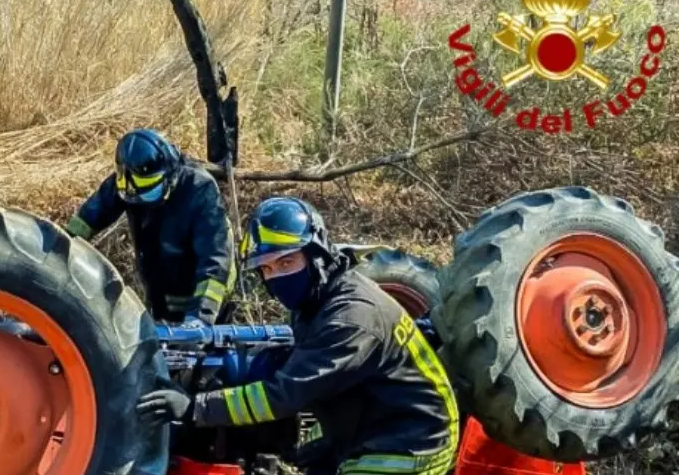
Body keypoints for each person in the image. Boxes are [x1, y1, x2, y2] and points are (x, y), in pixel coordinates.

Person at [135, 196, 460, 475]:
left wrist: (196, 408)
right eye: (266, 269)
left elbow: (282, 395)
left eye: (286, 261)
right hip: (378, 421)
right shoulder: (316, 299)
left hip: (415, 439)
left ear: (316, 254)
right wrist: (328, 443)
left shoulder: (350, 317)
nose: (276, 276)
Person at [64, 128, 237, 326]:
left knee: (204, 349)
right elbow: (87, 219)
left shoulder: (200, 189)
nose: (141, 202)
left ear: (169, 177)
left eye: (149, 195)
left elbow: (215, 259)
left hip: (204, 293)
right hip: (160, 291)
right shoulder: (129, 182)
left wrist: (201, 318)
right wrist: (59, 245)